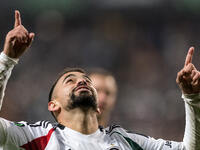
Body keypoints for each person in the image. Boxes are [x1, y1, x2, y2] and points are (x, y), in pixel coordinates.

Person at [0, 10, 200, 150]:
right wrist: (7, 60)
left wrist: (193, 98)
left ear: (98, 108)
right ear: (53, 105)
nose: (82, 81)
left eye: (86, 80)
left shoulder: (126, 141)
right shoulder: (35, 138)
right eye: (70, 80)